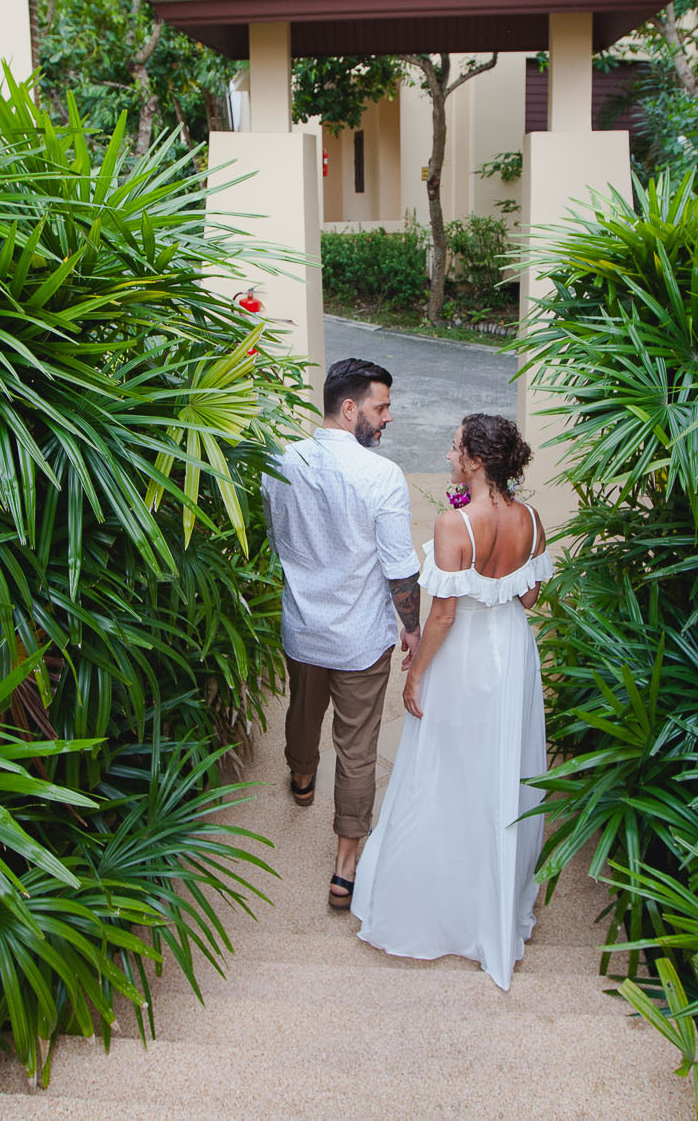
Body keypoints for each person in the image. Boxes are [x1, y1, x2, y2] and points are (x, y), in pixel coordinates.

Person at [351, 412, 551, 989]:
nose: (448, 454)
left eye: (455, 447)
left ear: (477, 461)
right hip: (511, 651)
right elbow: (532, 596)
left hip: (463, 658)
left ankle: (441, 908)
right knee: (502, 771)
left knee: (444, 773)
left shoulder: (453, 524)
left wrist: (415, 677)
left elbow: (442, 613)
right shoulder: (533, 519)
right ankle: (493, 906)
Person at [262, 358, 422, 910]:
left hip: (302, 629)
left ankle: (302, 780)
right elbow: (400, 567)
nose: (388, 418)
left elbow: (276, 538)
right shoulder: (381, 477)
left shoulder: (277, 460)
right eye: (381, 407)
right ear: (349, 408)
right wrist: (413, 629)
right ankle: (344, 868)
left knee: (302, 715)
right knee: (357, 750)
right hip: (359, 639)